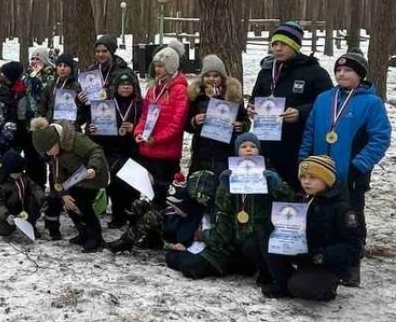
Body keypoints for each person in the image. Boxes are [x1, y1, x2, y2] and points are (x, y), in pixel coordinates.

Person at [299, 51, 391, 285]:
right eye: (338, 70)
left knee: (351, 218)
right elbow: (310, 130)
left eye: (348, 70)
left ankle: (352, 266)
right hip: (320, 172)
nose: (341, 74)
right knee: (323, 215)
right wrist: (304, 158)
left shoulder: (372, 103)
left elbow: (380, 138)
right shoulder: (324, 99)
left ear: (360, 75)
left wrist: (358, 165)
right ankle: (323, 259)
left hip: (351, 174)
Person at [165, 133, 293, 279]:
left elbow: (289, 203)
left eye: (253, 146)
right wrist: (206, 235)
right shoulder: (228, 176)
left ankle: (262, 269)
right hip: (230, 241)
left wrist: (277, 186)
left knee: (251, 246)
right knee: (190, 265)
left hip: (257, 239)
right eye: (243, 146)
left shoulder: (270, 174)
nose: (248, 149)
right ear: (237, 151)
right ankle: (236, 265)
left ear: (259, 150)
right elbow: (222, 215)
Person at [260, 155, 364, 300]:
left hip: (325, 261)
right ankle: (285, 283)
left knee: (302, 288)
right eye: (303, 177)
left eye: (313, 177)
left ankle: (327, 287)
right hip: (304, 253)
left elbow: (354, 247)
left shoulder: (343, 209)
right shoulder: (303, 198)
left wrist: (320, 255)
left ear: (327, 179)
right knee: (268, 238)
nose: (306, 182)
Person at [248, 21, 332, 189]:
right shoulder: (266, 71)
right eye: (275, 44)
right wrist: (251, 108)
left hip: (297, 144)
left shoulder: (315, 72)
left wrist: (301, 113)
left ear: (295, 45)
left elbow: (329, 104)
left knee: (293, 192)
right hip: (267, 143)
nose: (278, 49)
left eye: (284, 44)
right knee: (268, 190)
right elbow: (255, 98)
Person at [31, 116, 109, 252]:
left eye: (49, 149)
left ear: (55, 141)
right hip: (75, 179)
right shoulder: (55, 153)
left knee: (84, 205)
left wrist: (93, 168)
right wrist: (64, 194)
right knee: (70, 204)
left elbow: (96, 150)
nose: (49, 153)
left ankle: (96, 238)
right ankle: (83, 233)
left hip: (93, 174)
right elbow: (57, 175)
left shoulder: (75, 139)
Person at [87, 71, 141, 228]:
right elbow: (92, 126)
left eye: (128, 85)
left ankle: (133, 216)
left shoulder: (139, 105)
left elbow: (146, 126)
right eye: (122, 85)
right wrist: (91, 129)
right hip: (111, 150)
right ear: (116, 87)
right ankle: (118, 216)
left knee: (132, 185)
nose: (125, 87)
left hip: (132, 150)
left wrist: (134, 128)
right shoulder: (105, 104)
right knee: (115, 186)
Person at [133, 46, 189, 185]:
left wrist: (156, 139)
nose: (157, 69)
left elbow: (176, 124)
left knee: (161, 190)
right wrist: (138, 132)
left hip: (166, 153)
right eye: (155, 66)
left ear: (171, 67)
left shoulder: (180, 90)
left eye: (161, 66)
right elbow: (144, 116)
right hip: (147, 148)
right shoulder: (153, 88)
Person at [186, 54, 249, 176]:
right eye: (207, 76)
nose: (211, 79)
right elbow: (186, 123)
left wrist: (242, 125)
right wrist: (194, 121)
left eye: (216, 75)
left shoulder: (232, 96)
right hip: (202, 152)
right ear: (202, 78)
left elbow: (245, 119)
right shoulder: (197, 97)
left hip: (226, 151)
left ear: (222, 78)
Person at [0, 149, 45, 238]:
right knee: (4, 231)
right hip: (7, 211)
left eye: (20, 171)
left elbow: (34, 188)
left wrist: (42, 199)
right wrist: (6, 216)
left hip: (23, 208)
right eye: (16, 172)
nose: (19, 174)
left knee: (32, 200)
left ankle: (30, 225)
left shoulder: (23, 177)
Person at [37, 53, 86, 131]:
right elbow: (42, 106)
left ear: (71, 69)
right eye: (60, 66)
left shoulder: (77, 87)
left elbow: (83, 114)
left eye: (65, 66)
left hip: (70, 129)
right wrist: (43, 121)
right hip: (51, 128)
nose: (62, 69)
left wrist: (80, 103)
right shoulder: (51, 86)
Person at [80, 34, 136, 102]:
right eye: (97, 51)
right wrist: (79, 100)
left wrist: (108, 94)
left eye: (104, 51)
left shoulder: (125, 72)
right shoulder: (91, 71)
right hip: (95, 108)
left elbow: (136, 98)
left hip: (117, 108)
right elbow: (84, 100)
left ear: (111, 52)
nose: (100, 54)